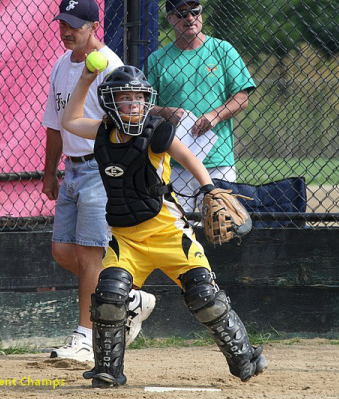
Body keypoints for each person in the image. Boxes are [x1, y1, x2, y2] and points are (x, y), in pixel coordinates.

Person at [61, 64, 267, 387]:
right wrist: (86, 79)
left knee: (204, 296)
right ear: (111, 103)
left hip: (168, 233)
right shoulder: (104, 131)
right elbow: (69, 121)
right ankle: (108, 370)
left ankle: (245, 357)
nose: (134, 105)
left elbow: (188, 157)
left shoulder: (155, 131)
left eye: (139, 98)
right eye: (126, 99)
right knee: (108, 296)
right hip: (125, 240)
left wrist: (209, 188)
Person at [41, 0, 155, 362]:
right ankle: (128, 298)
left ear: (94, 26)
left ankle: (86, 338)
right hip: (72, 169)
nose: (66, 31)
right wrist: (50, 171)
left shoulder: (112, 67)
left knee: (90, 254)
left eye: (75, 25)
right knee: (63, 251)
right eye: (63, 23)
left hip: (100, 169)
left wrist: (121, 172)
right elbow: (55, 124)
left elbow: (131, 126)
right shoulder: (61, 65)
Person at [146, 0, 256, 213]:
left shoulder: (223, 50)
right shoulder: (157, 60)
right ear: (170, 19)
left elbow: (242, 97)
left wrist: (215, 115)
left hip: (218, 159)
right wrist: (167, 112)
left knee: (221, 225)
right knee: (181, 227)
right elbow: (145, 107)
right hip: (175, 162)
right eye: (182, 13)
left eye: (194, 12)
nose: (189, 18)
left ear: (201, 14)